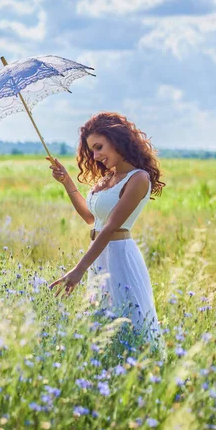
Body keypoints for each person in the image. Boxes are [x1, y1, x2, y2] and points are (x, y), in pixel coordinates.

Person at [47, 111, 165, 343]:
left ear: (117, 140)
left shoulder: (138, 178)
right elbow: (92, 219)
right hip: (100, 257)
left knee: (130, 324)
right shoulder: (108, 179)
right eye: (91, 150)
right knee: (103, 326)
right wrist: (67, 181)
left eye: (99, 147)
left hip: (120, 257)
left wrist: (78, 269)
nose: (95, 155)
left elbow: (110, 227)